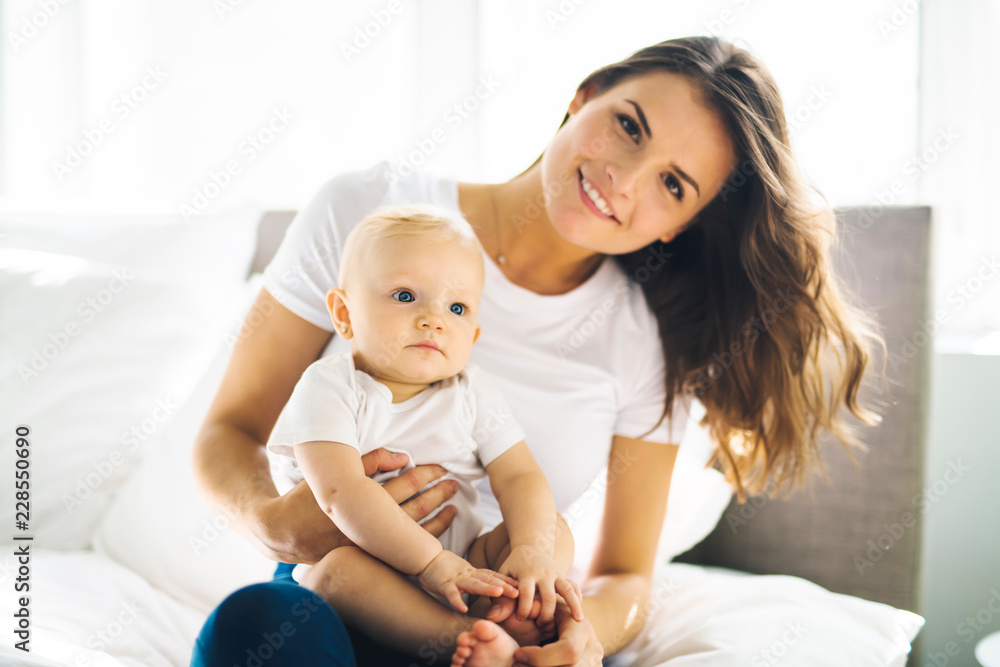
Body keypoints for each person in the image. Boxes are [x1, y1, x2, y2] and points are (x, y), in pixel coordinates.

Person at [191, 35, 883, 666]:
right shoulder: (370, 213)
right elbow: (231, 430)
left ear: (682, 225)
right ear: (582, 98)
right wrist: (276, 524)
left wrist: (585, 636)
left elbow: (624, 575)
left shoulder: (645, 341)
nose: (625, 178)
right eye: (629, 127)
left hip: (497, 608)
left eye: (673, 185)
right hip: (336, 585)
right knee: (253, 630)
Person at [264, 204, 584, 663]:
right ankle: (461, 636)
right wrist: (432, 564)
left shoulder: (472, 390)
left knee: (553, 529)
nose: (434, 318)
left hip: (466, 565)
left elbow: (518, 476)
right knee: (337, 574)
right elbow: (340, 491)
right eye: (405, 296)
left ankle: (512, 607)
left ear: (472, 336)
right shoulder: (329, 387)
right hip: (368, 565)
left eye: (456, 307)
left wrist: (532, 550)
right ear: (344, 312)